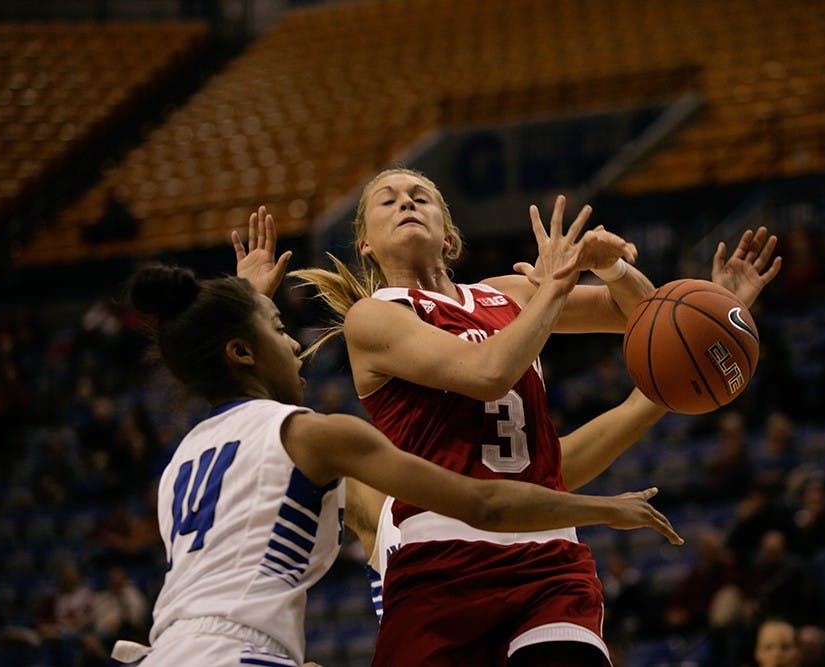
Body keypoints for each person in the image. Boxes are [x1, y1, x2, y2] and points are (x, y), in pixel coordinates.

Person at [242, 167, 781, 665]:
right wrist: (555, 288)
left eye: (420, 196)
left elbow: (640, 315)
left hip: (549, 554)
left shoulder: (507, 295)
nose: (406, 201)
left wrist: (615, 269)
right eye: (387, 200)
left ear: (448, 235)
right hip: (441, 562)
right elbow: (488, 372)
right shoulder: (375, 318)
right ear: (366, 243)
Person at [110, 262, 683, 667]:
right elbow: (484, 498)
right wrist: (606, 509)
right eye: (282, 331)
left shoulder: (182, 460)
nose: (298, 347)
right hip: (245, 654)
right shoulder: (325, 438)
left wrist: (242, 304)